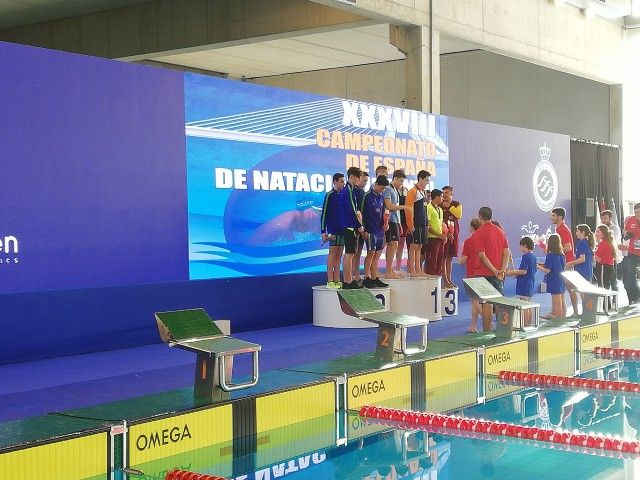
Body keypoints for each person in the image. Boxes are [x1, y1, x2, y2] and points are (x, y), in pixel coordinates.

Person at [474, 206, 510, 331]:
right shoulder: (500, 232)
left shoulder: (478, 233)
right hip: (498, 274)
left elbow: (482, 255)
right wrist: (502, 270)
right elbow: (506, 252)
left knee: (486, 304)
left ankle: (486, 332)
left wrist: (494, 270)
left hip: (484, 273)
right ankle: (503, 331)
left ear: (480, 216)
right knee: (499, 302)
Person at [338, 166, 366, 289]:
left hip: (350, 225)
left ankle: (349, 280)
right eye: (358, 178)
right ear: (353, 177)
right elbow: (352, 209)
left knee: (351, 253)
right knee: (349, 254)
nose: (359, 181)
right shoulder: (348, 190)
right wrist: (359, 225)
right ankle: (347, 281)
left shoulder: (350, 189)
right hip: (349, 226)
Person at [361, 175, 390, 288]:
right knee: (370, 253)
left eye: (384, 189)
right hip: (370, 230)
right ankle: (366, 278)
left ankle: (374, 277)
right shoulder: (367, 196)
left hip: (379, 230)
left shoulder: (381, 197)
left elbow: (383, 213)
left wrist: (385, 223)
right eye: (381, 188)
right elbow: (361, 213)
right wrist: (363, 229)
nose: (382, 190)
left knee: (377, 254)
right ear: (376, 184)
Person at [320, 172, 345, 288]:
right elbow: (324, 213)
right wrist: (323, 231)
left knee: (339, 255)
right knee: (332, 254)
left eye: (344, 181)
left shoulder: (344, 195)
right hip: (332, 229)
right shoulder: (329, 195)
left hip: (342, 229)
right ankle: (330, 281)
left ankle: (337, 279)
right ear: (335, 182)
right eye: (341, 181)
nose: (343, 183)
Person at [382, 170, 409, 279]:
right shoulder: (388, 189)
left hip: (395, 221)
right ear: (395, 178)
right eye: (401, 181)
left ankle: (390, 269)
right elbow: (389, 206)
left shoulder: (395, 190)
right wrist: (404, 207)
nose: (402, 184)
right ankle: (388, 270)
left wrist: (399, 224)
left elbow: (396, 209)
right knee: (391, 244)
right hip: (390, 220)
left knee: (395, 245)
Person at [550, 207, 576, 316]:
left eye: (553, 215)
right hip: (564, 263)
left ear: (560, 217)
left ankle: (576, 312)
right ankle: (559, 312)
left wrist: (553, 250)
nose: (551, 217)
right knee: (561, 290)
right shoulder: (559, 228)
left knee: (570, 289)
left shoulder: (562, 229)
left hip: (567, 264)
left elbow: (568, 247)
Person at [506, 236, 537, 326]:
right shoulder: (533, 256)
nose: (520, 248)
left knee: (524, 306)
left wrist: (510, 272)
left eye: (521, 246)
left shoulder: (526, 256)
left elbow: (523, 271)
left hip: (524, 285)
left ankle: (525, 324)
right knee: (528, 305)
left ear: (525, 246)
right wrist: (512, 268)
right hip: (530, 284)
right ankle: (528, 324)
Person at [405, 170, 430, 277]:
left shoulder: (423, 192)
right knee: (413, 246)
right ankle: (412, 270)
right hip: (416, 223)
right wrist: (410, 225)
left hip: (423, 223)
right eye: (426, 180)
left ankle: (418, 269)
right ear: (420, 179)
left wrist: (427, 223)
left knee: (419, 246)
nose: (428, 182)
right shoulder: (412, 191)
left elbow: (424, 210)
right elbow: (408, 209)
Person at [565, 224, 595, 314]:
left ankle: (585, 312)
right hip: (587, 270)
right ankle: (585, 312)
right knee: (583, 293)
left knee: (582, 293)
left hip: (582, 271)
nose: (576, 233)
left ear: (583, 232)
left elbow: (582, 259)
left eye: (577, 231)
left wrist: (571, 263)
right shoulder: (587, 243)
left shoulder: (582, 243)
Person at [460, 218, 481, 333]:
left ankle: (488, 320)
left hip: (472, 274)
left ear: (472, 227)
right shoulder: (483, 240)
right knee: (475, 301)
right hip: (482, 273)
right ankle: (473, 326)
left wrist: (460, 259)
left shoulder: (468, 242)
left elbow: (463, 261)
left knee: (475, 301)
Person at [537, 233, 566, 319]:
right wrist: (541, 265)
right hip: (561, 279)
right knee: (560, 299)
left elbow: (548, 270)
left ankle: (558, 318)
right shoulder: (562, 254)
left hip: (554, 280)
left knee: (556, 301)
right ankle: (556, 314)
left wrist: (538, 267)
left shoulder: (550, 255)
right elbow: (561, 266)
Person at [441, 185, 462, 288]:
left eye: (446, 193)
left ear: (451, 194)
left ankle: (449, 279)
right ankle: (445, 280)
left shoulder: (456, 204)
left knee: (450, 258)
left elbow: (458, 215)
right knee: (443, 258)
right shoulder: (440, 204)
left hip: (454, 235)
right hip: (444, 235)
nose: (444, 195)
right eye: (443, 193)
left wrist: (449, 206)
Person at [620, 203, 640, 305]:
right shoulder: (631, 219)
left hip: (636, 250)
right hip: (633, 252)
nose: (637, 214)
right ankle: (635, 297)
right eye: (635, 212)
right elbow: (625, 235)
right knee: (630, 275)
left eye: (639, 212)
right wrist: (627, 235)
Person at [352, 170, 369, 285]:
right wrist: (358, 225)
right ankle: (351, 276)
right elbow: (355, 211)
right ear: (358, 179)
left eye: (367, 181)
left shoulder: (363, 192)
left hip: (362, 226)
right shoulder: (353, 191)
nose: (365, 183)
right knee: (353, 252)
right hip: (355, 226)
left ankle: (357, 275)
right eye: (363, 180)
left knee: (358, 253)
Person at [425, 188, 446, 276]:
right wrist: (438, 235)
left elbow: (441, 224)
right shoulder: (428, 208)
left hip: (440, 238)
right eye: (441, 196)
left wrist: (443, 235)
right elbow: (427, 225)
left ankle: (437, 280)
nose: (442, 198)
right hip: (432, 238)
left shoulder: (440, 209)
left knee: (439, 261)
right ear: (436, 197)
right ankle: (430, 280)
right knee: (432, 261)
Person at [601, 209, 622, 289]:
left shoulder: (615, 229)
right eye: (602, 218)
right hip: (603, 257)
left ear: (610, 218)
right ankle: (606, 296)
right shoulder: (601, 228)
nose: (603, 220)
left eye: (605, 218)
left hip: (612, 257)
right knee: (605, 279)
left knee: (613, 278)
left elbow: (613, 242)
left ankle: (614, 295)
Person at [594, 224, 617, 299]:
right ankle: (607, 303)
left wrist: (598, 258)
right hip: (608, 266)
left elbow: (596, 257)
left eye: (598, 232)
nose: (595, 233)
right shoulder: (608, 242)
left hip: (603, 266)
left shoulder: (603, 243)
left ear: (603, 233)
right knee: (606, 285)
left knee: (602, 286)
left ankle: (605, 304)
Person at [395, 177, 409, 276]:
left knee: (401, 245)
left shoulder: (406, 190)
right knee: (391, 244)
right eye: (400, 180)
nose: (401, 182)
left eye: (403, 181)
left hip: (404, 221)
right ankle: (389, 267)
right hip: (395, 219)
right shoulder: (392, 190)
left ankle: (398, 267)